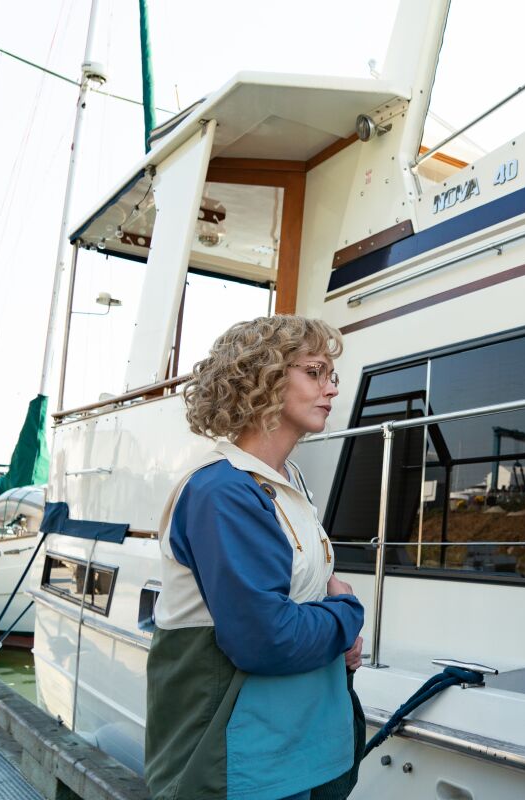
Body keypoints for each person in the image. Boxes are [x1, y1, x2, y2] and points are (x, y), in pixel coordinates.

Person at [145, 315, 365, 800]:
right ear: (261, 378)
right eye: (314, 372)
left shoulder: (285, 481)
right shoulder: (223, 490)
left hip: (288, 752)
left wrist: (330, 623)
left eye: (332, 375)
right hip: (235, 765)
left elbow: (299, 592)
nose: (330, 388)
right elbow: (265, 640)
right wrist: (345, 618)